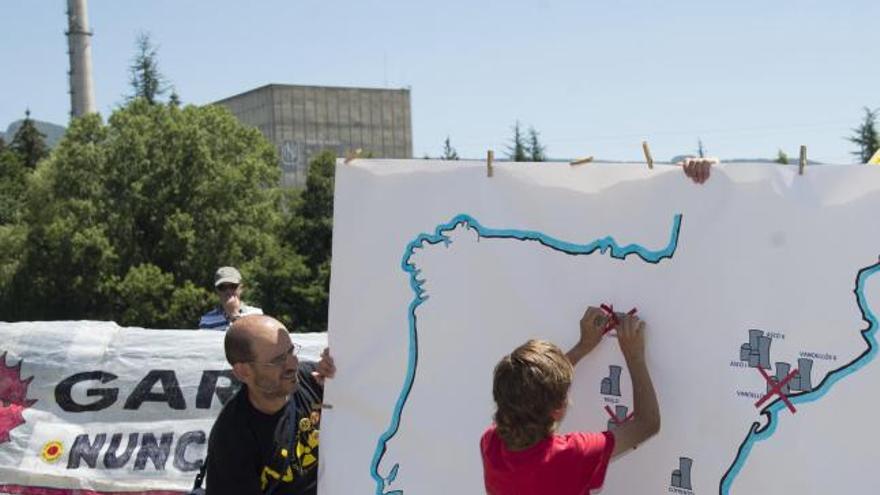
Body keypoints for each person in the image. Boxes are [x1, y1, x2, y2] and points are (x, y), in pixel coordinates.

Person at [480, 307, 660, 495]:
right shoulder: (571, 455)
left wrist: (582, 346)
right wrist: (634, 356)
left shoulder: (491, 443)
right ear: (558, 409)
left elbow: (530, 390)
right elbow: (646, 424)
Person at [205, 315, 336, 495]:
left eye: (291, 352)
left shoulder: (313, 380)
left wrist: (341, 371)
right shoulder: (231, 438)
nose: (293, 364)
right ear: (243, 372)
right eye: (278, 360)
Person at [199, 266, 263, 331]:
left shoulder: (257, 315)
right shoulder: (206, 320)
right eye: (222, 287)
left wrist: (235, 315)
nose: (228, 291)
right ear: (217, 291)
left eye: (233, 286)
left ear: (241, 288)